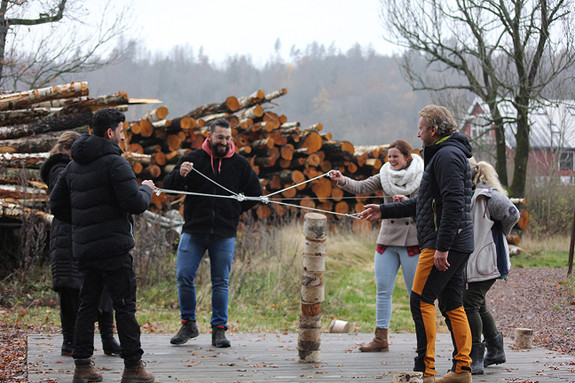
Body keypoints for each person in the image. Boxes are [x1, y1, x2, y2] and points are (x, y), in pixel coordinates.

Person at [359, 105, 474, 383]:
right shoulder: (446, 154)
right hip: (457, 242)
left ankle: (426, 371)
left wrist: (442, 247)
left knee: (420, 300)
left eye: (421, 128)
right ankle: (462, 370)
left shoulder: (446, 156)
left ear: (433, 131)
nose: (418, 133)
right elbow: (426, 202)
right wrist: (383, 211)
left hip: (441, 244)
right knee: (452, 303)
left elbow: (455, 204)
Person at [50, 108, 155, 383]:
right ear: (110, 132)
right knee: (124, 307)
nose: (123, 136)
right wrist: (147, 189)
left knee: (87, 305)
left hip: (86, 248)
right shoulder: (115, 163)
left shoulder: (73, 164)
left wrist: (86, 223)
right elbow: (135, 204)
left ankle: (82, 368)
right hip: (114, 249)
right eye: (121, 131)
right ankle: (133, 368)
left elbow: (56, 205)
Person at [163, 118, 262, 348]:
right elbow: (169, 186)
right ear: (209, 137)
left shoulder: (239, 164)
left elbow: (255, 193)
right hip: (194, 230)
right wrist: (181, 174)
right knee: (184, 276)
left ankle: (219, 330)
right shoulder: (193, 159)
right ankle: (188, 324)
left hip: (224, 233)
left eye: (228, 138)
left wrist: (234, 210)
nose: (224, 142)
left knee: (220, 282)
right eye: (220, 137)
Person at [330, 140, 423, 352]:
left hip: (412, 242)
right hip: (387, 240)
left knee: (416, 294)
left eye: (395, 157)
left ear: (407, 158)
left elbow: (427, 207)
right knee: (382, 291)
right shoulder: (385, 175)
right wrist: (342, 180)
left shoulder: (422, 177)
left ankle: (423, 340)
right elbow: (361, 187)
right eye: (389, 157)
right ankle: (380, 338)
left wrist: (408, 202)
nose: (391, 160)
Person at [40, 131, 122, 358]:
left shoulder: (71, 166)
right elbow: (69, 197)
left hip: (84, 232)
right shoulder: (59, 168)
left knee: (102, 287)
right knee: (70, 291)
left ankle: (107, 339)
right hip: (67, 234)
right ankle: (71, 340)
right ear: (70, 149)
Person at [464, 159, 519, 374]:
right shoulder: (466, 193)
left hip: (487, 258)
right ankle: (496, 349)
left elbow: (512, 213)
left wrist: (498, 236)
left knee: (469, 303)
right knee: (479, 304)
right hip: (474, 259)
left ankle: (475, 356)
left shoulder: (486, 195)